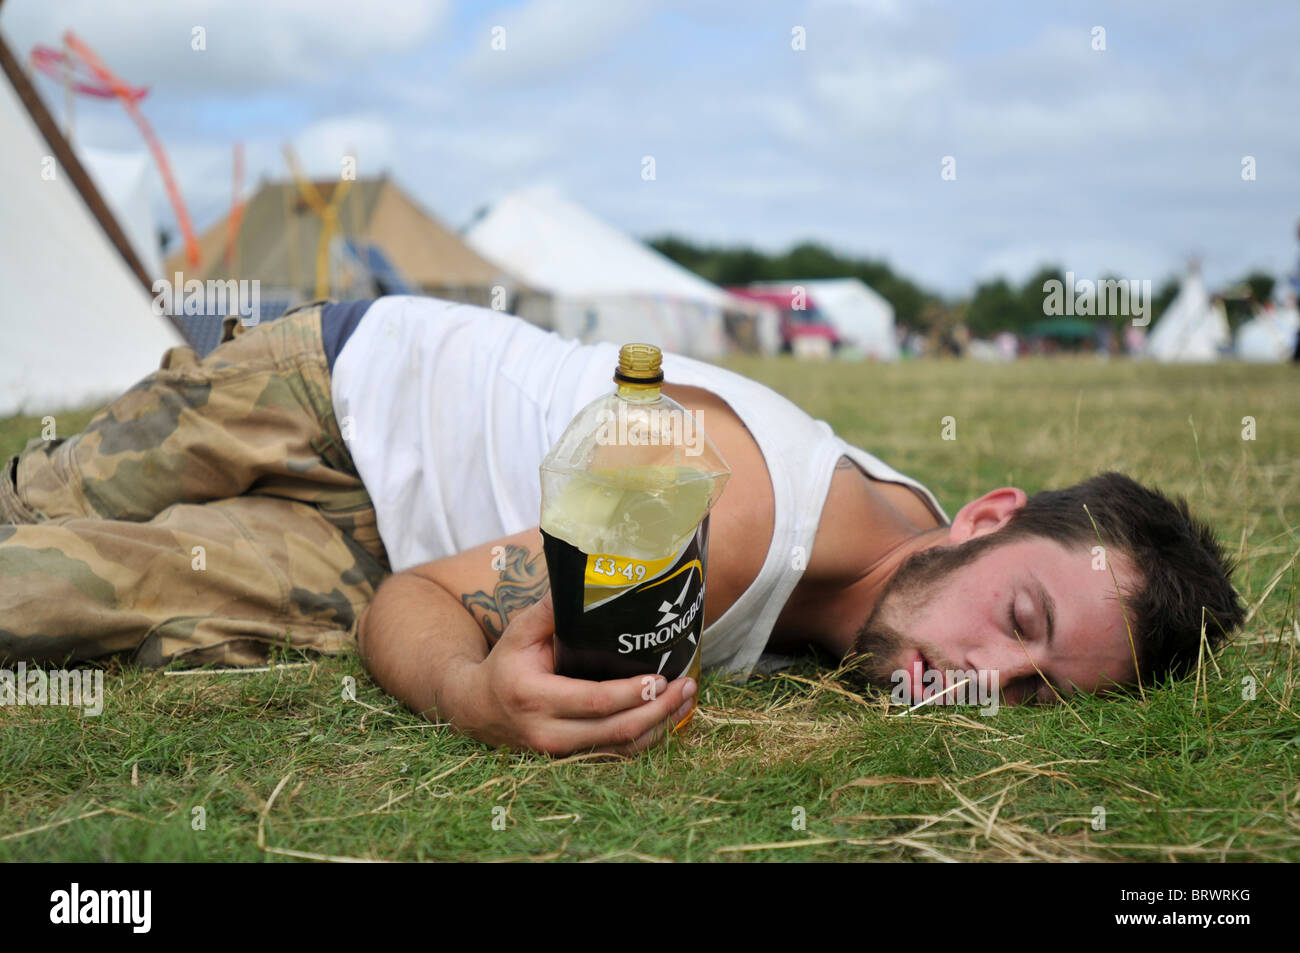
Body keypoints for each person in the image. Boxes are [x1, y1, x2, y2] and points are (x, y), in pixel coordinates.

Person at [0, 296, 1244, 755]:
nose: (985, 678)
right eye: (1019, 621)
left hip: (379, 545)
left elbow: (404, 578)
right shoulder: (725, 505)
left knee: (41, 598)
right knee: (39, 501)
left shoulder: (921, 548)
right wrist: (473, 697)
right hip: (338, 385)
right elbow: (422, 613)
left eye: (1034, 693)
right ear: (988, 515)